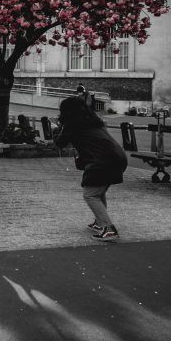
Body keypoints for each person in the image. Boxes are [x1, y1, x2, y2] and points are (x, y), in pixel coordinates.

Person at [55, 95, 127, 240]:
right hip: (117, 157)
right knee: (98, 192)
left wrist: (56, 129)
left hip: (103, 161)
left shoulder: (73, 123)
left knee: (91, 194)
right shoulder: (93, 121)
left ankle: (108, 228)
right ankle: (100, 222)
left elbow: (60, 143)